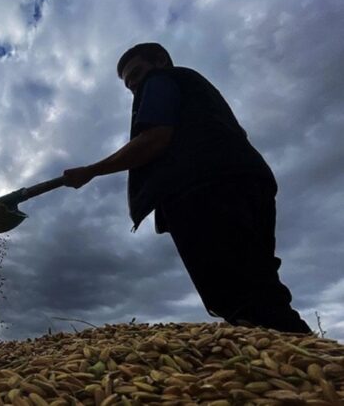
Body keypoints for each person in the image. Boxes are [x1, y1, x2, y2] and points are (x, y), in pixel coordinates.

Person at [62, 43, 312, 334]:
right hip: (248, 180)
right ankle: (306, 362)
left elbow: (156, 137)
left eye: (138, 75)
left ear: (160, 61)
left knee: (237, 294)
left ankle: (295, 366)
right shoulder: (200, 92)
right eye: (130, 86)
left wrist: (90, 171)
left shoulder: (162, 80)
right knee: (258, 282)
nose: (136, 87)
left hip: (205, 190)